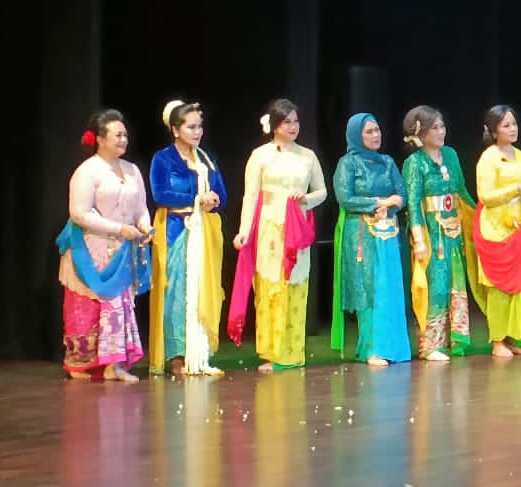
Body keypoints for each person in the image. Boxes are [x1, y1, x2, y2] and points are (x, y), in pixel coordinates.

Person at [231, 98, 326, 373]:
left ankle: (293, 352)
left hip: (297, 228)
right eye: (287, 122)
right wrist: (244, 231)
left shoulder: (307, 156)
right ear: (274, 125)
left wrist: (306, 199)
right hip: (269, 228)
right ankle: (271, 352)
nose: (293, 127)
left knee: (296, 284)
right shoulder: (260, 156)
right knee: (271, 287)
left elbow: (322, 191)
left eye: (296, 121)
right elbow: (250, 196)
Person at [58, 109, 151, 382]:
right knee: (89, 306)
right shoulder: (87, 171)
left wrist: (145, 227)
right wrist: (119, 229)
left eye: (125, 135)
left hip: (123, 250)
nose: (124, 140)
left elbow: (141, 209)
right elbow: (79, 214)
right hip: (91, 248)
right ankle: (80, 363)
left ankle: (114, 366)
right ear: (99, 138)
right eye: (117, 135)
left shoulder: (132, 170)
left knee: (119, 306)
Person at [148, 99, 228, 376]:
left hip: (204, 231)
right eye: (191, 127)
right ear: (175, 129)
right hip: (176, 229)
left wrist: (213, 200)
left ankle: (200, 353)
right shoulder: (163, 159)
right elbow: (160, 195)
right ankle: (177, 355)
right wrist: (196, 198)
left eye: (199, 126)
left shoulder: (206, 159)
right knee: (177, 291)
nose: (197, 132)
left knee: (202, 289)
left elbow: (222, 194)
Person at [400, 105, 483, 361]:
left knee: (455, 283)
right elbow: (413, 203)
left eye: (442, 125)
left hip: (453, 230)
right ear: (420, 133)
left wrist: (481, 217)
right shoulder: (415, 163)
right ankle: (431, 344)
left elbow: (461, 191)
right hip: (431, 232)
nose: (441, 131)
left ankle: (455, 338)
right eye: (434, 127)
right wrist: (419, 240)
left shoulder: (450, 155)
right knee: (435, 284)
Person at [330, 112, 411, 366]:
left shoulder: (387, 162)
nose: (376, 135)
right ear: (356, 135)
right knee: (368, 288)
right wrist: (380, 202)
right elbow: (345, 198)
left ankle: (394, 347)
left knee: (390, 287)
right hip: (361, 234)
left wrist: (394, 203)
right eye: (369, 131)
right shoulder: (348, 163)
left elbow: (402, 194)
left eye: (377, 130)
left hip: (388, 233)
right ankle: (371, 349)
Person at [474, 105, 521, 358]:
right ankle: (497, 340)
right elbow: (486, 196)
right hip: (496, 229)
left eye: (514, 124)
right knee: (498, 287)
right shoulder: (489, 158)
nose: (512, 129)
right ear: (494, 131)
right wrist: (516, 188)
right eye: (506, 125)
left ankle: (513, 337)